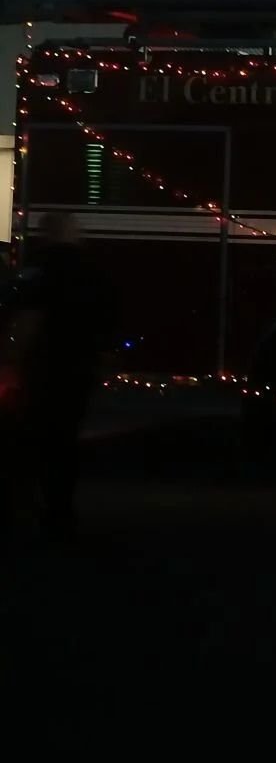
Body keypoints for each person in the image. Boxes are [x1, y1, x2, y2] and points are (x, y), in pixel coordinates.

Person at [4, 214, 115, 541]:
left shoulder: (40, 270)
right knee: (66, 441)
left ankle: (26, 511)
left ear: (47, 234)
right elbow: (107, 319)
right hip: (80, 368)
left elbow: (27, 318)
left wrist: (11, 358)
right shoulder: (93, 272)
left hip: (44, 367)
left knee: (31, 438)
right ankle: (60, 512)